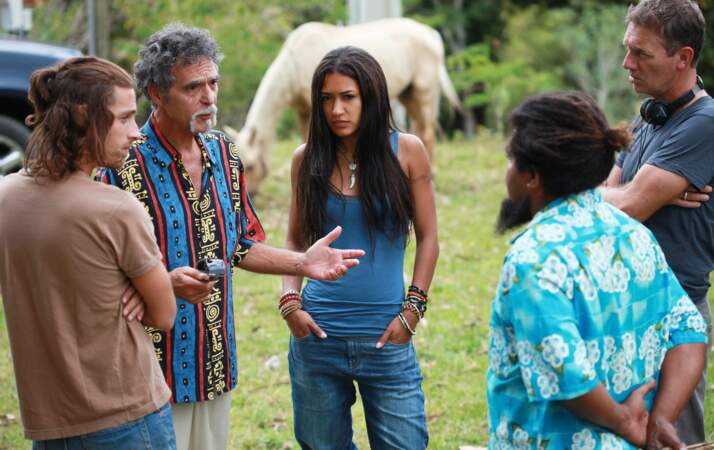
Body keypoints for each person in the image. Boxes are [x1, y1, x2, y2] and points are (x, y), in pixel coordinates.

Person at [96, 25, 364, 450]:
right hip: (148, 371)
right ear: (157, 94)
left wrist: (302, 263)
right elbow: (94, 270)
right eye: (193, 87)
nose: (209, 97)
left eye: (213, 83)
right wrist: (161, 284)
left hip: (214, 359)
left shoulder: (224, 153)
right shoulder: (118, 167)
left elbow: (239, 244)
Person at [489, 91, 708, 449]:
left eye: (511, 160)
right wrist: (662, 419)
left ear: (531, 176)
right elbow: (689, 331)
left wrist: (626, 421)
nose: (507, 171)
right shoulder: (636, 235)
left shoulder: (534, 258)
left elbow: (567, 374)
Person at [0, 57, 177, 448]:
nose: (137, 133)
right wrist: (140, 288)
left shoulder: (5, 197)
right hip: (128, 421)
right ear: (84, 117)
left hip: (47, 428)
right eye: (125, 118)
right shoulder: (116, 209)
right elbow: (164, 315)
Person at [280, 46, 439, 449]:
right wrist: (290, 303)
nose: (337, 110)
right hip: (317, 338)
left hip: (387, 337)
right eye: (327, 99)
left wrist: (413, 310)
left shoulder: (407, 151)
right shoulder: (306, 159)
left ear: (370, 96)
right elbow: (295, 240)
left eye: (347, 97)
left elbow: (429, 237)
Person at [601, 0, 714, 443]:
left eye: (641, 53)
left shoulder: (703, 122)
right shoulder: (650, 117)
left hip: (674, 314)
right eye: (628, 49)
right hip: (628, 305)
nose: (627, 63)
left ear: (683, 57)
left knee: (669, 439)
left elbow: (625, 206)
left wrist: (624, 197)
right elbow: (607, 193)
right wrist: (624, 195)